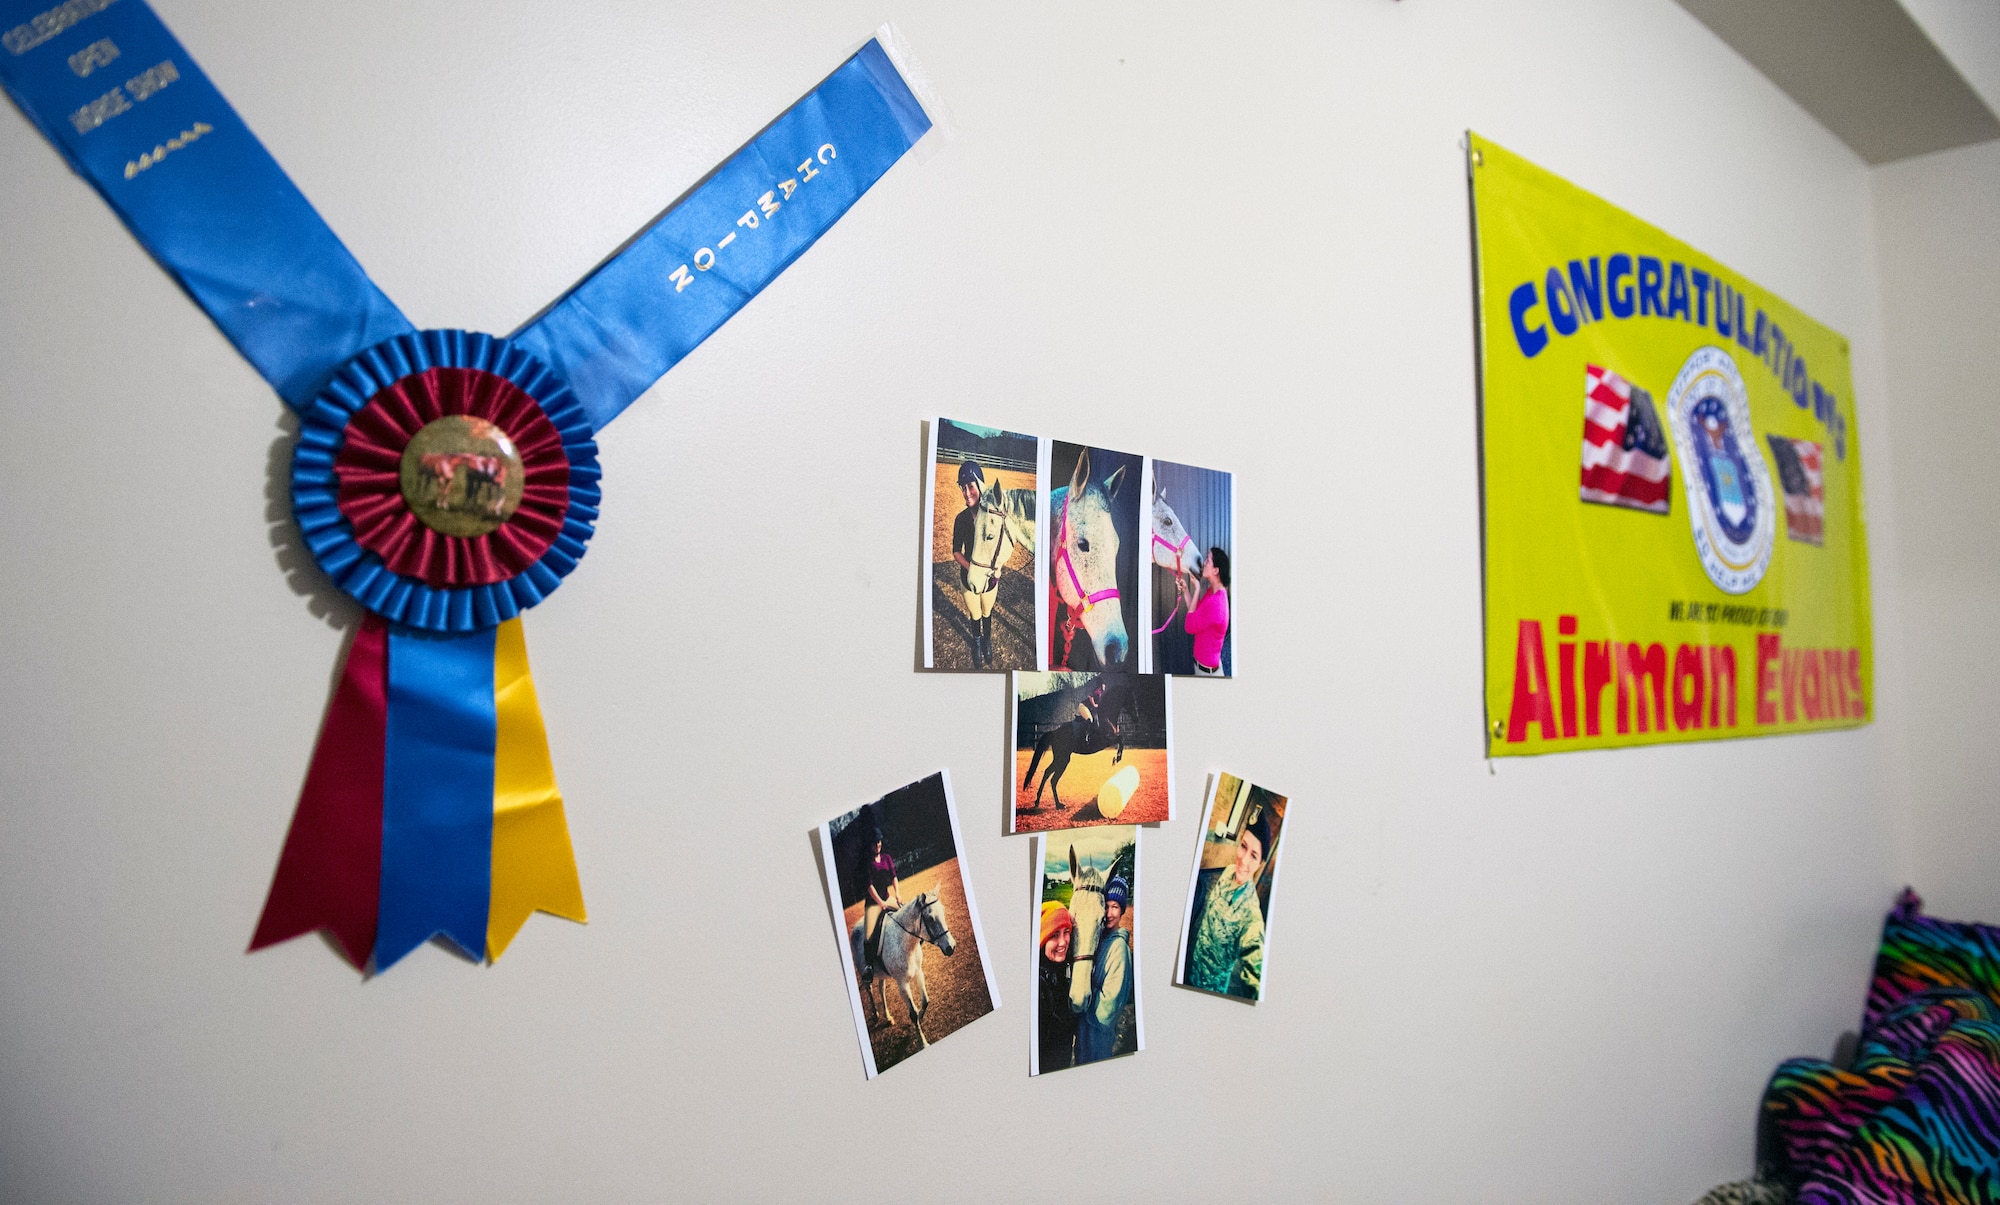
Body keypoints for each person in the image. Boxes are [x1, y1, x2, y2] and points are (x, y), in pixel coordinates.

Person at [1187, 811, 1268, 998]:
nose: (1244, 860)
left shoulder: (1251, 915)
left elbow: (1257, 977)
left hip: (1209, 988)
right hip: (1194, 963)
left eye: (1254, 856)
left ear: (1260, 864)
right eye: (1243, 847)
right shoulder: (1228, 872)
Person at [950, 459, 1005, 667]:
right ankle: (977, 643)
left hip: (990, 581)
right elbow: (956, 551)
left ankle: (987, 641)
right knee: (975, 615)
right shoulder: (961, 519)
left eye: (970, 486)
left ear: (980, 485)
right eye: (962, 488)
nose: (966, 492)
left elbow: (1000, 545)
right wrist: (971, 568)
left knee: (986, 613)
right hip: (969, 579)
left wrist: (997, 569)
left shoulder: (991, 515)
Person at [1074, 875, 1133, 1064]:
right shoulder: (1101, 941)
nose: (1109, 913)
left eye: (1115, 907)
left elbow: (1108, 1009)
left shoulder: (1119, 949)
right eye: (1106, 906)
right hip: (1084, 1031)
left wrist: (1083, 1001)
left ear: (1122, 910)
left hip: (1098, 1035)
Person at [1176, 546, 1231, 676]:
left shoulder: (1216, 603)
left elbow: (1189, 626)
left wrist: (1197, 589)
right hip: (1203, 667)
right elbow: (1195, 613)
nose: (1204, 562)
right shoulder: (1213, 592)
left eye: (1208, 560)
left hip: (1206, 673)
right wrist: (1186, 591)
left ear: (1216, 570)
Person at [1037, 902, 1076, 1072]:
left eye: (1066, 932)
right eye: (1054, 935)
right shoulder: (1039, 987)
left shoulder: (1063, 971)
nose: (1062, 942)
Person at [860, 833, 901, 982]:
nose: (877, 844)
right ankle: (869, 966)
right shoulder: (867, 863)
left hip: (887, 897)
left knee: (905, 914)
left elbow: (894, 876)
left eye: (878, 841)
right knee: (869, 934)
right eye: (874, 843)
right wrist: (880, 903)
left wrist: (897, 894)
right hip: (873, 903)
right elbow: (869, 886)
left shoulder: (887, 858)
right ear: (870, 846)